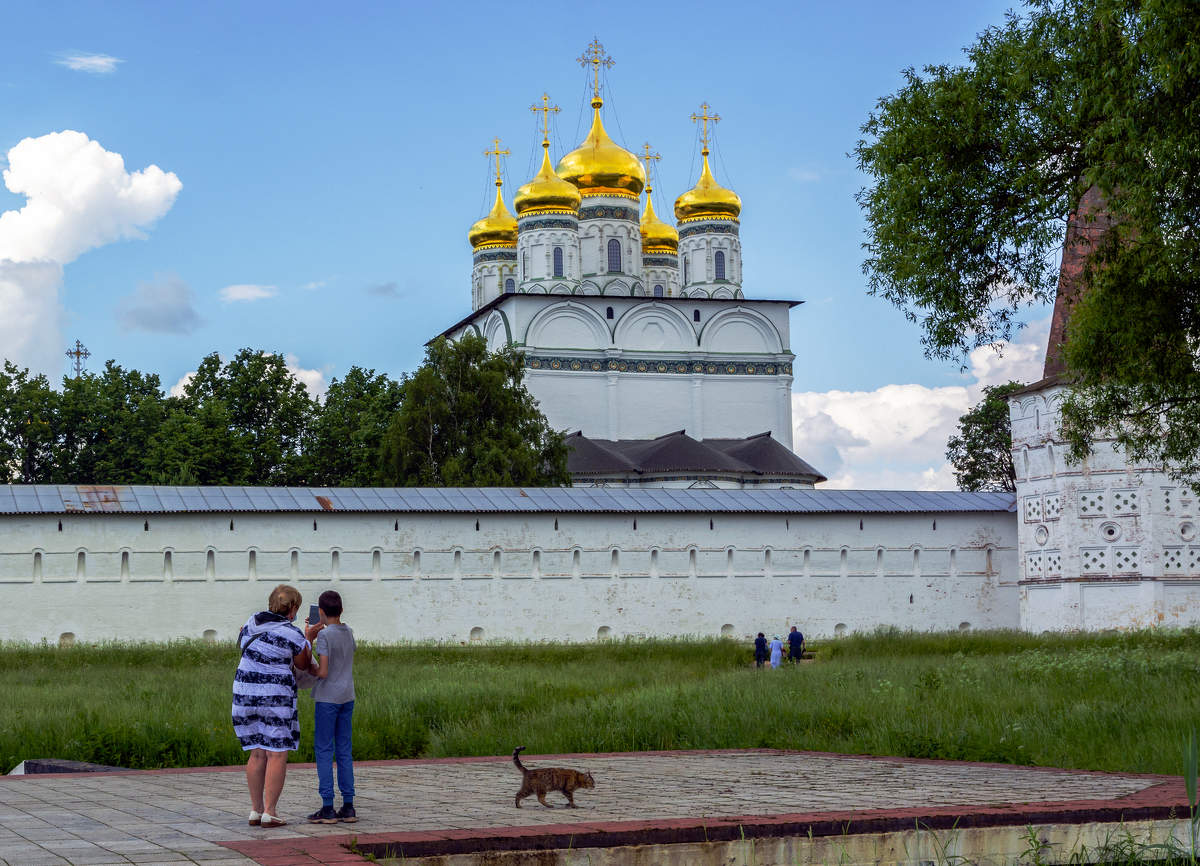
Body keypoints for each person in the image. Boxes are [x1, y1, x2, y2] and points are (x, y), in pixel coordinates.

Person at [233, 584, 314, 828]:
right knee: (276, 752)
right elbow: (302, 664)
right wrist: (308, 638)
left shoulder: (250, 622)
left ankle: (256, 810)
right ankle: (271, 811)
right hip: (275, 696)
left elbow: (242, 644)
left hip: (244, 693)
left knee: (257, 751)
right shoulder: (292, 633)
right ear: (293, 609)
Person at [305, 590, 358, 824]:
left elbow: (324, 671)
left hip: (328, 698)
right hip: (348, 695)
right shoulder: (349, 632)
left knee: (324, 750)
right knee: (344, 749)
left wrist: (310, 669)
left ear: (322, 612)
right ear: (342, 610)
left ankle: (327, 806)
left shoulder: (325, 637)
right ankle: (348, 806)